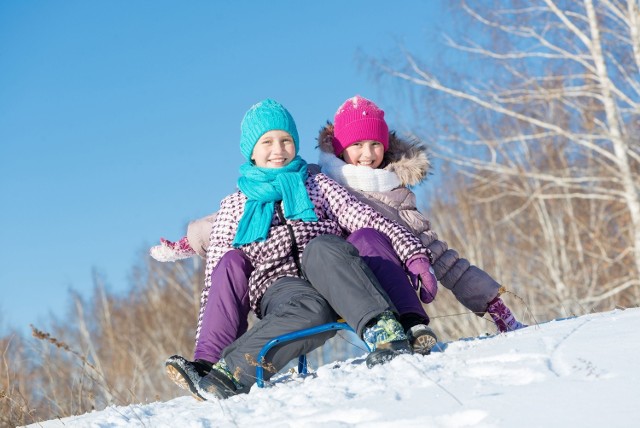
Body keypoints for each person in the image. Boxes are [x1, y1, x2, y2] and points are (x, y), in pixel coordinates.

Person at [161, 98, 439, 400]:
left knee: (322, 247)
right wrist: (205, 351)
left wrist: (414, 254)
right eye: (267, 142)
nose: (278, 150)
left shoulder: (317, 183)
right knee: (300, 301)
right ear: (251, 151)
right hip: (281, 290)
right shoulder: (234, 206)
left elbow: (366, 218)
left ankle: (385, 331)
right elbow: (216, 286)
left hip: (335, 275)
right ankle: (228, 371)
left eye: (286, 140)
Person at [316, 95, 526, 333]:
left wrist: (491, 302)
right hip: (345, 285)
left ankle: (409, 327)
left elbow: (435, 251)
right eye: (357, 144)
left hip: (393, 288)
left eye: (375, 144)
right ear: (339, 148)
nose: (368, 153)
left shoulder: (394, 193)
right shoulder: (321, 185)